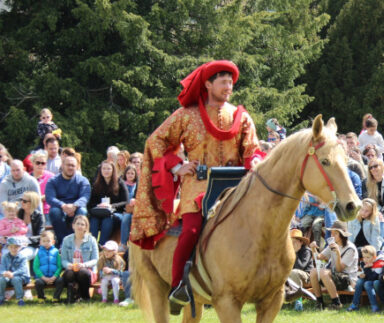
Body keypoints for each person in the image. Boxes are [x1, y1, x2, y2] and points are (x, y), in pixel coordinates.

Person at [129, 60, 258, 309]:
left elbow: (252, 149)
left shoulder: (241, 117)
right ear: (208, 84)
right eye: (223, 82)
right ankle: (178, 285)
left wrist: (254, 161)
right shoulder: (186, 116)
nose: (228, 86)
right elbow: (156, 141)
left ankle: (272, 279)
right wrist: (177, 165)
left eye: (231, 82)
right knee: (190, 230)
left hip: (235, 185)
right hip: (199, 184)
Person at [309, 221, 358, 309]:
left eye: (335, 234)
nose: (332, 236)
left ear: (342, 235)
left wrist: (338, 254)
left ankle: (336, 303)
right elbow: (318, 258)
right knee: (313, 271)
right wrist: (313, 249)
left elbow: (339, 270)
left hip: (348, 280)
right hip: (334, 275)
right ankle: (319, 303)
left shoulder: (350, 249)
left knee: (324, 272)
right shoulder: (332, 245)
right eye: (331, 233)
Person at [45, 156, 91, 244]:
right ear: (62, 165)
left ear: (77, 167)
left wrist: (75, 206)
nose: (70, 167)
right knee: (55, 211)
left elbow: (85, 197)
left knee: (82, 211)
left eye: (73, 165)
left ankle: (78, 240)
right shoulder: (53, 181)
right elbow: (50, 197)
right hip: (60, 207)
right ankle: (63, 242)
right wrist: (63, 206)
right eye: (68, 165)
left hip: (77, 207)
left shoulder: (83, 181)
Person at [88, 160, 130, 245]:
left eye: (108, 169)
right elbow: (90, 202)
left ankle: (102, 245)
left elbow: (125, 201)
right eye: (104, 169)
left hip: (115, 212)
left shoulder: (119, 182)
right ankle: (92, 245)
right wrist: (99, 205)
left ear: (113, 170)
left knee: (108, 220)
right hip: (99, 212)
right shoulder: (96, 183)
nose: (106, 171)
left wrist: (111, 206)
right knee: (94, 220)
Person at [60, 215, 99, 303]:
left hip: (87, 270)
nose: (80, 226)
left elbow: (95, 259)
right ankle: (72, 296)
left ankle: (85, 296)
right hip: (72, 268)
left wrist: (83, 265)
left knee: (83, 272)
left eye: (82, 224)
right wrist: (68, 265)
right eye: (78, 224)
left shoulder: (92, 240)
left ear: (86, 227)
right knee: (68, 273)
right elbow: (63, 260)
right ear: (73, 225)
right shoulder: (67, 240)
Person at [347, 245, 384, 312]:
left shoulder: (379, 263)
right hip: (369, 280)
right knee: (359, 281)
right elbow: (366, 274)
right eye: (364, 257)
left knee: (367, 283)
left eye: (368, 257)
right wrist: (361, 275)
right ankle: (355, 304)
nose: (365, 259)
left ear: (374, 257)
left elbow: (374, 278)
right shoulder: (364, 263)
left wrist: (367, 269)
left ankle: (374, 306)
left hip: (377, 283)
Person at [32, 230, 63, 301]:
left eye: (48, 241)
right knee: (38, 283)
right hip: (43, 278)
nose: (46, 243)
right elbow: (35, 267)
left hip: (54, 277)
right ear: (40, 242)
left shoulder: (56, 252)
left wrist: (55, 276)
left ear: (53, 242)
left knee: (61, 281)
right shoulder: (39, 253)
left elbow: (59, 266)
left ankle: (56, 297)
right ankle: (41, 297)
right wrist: (43, 277)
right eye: (44, 241)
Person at [0, 236, 31, 305]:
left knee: (16, 279)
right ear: (8, 247)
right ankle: (1, 298)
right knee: (1, 279)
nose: (13, 249)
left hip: (21, 277)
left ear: (20, 247)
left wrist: (13, 274)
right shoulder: (5, 257)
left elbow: (22, 270)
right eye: (11, 247)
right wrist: (4, 272)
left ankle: (19, 299)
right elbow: (1, 268)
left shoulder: (22, 257)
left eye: (16, 247)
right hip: (8, 277)